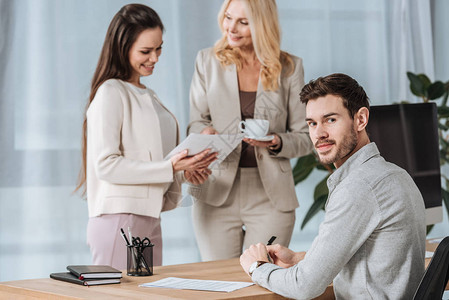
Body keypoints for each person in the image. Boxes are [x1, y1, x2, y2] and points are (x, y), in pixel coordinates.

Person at [240, 73, 427, 299]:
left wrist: (256, 268)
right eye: (312, 123)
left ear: (360, 119)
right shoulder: (397, 175)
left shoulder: (359, 187)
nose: (319, 134)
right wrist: (302, 260)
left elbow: (304, 286)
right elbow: (370, 256)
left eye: (330, 120)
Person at [74, 4, 217, 270]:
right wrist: (171, 167)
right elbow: (106, 165)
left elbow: (151, 160)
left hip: (147, 219)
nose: (155, 58)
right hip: (121, 220)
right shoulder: (111, 93)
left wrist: (184, 172)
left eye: (159, 48)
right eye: (145, 51)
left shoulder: (147, 94)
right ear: (122, 47)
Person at [187, 0, 313, 261]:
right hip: (216, 190)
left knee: (264, 277)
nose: (231, 28)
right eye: (228, 17)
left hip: (270, 196)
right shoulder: (207, 61)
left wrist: (276, 141)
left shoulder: (289, 68)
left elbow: (305, 137)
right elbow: (196, 122)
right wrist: (205, 133)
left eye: (243, 22)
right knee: (220, 281)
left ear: (262, 25)